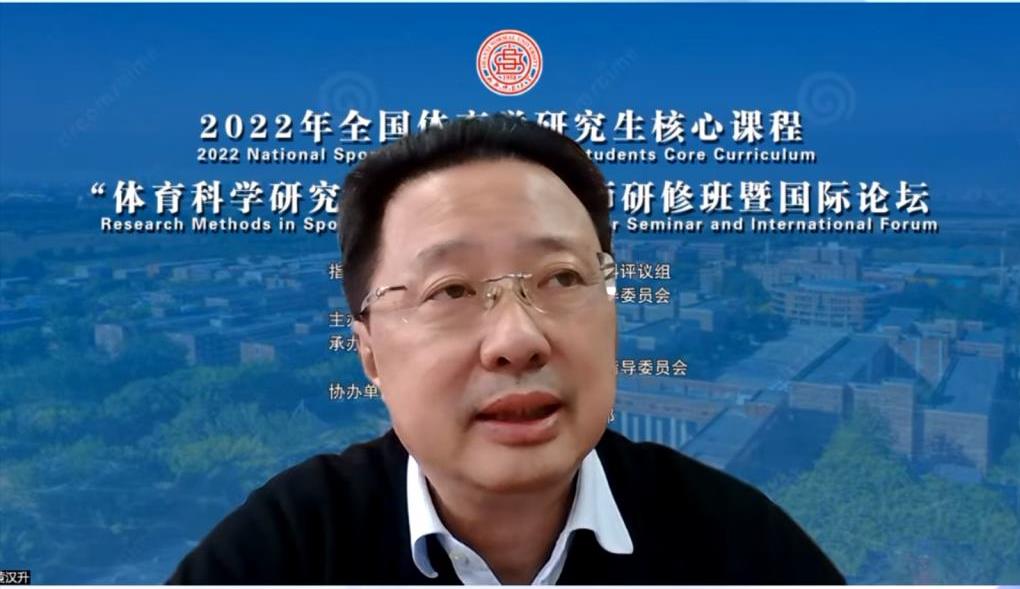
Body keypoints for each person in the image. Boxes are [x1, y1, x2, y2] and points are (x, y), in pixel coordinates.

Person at [166, 115, 845, 585]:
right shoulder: (285, 551)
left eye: (562, 279)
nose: (518, 340)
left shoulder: (740, 548)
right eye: (452, 290)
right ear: (368, 350)